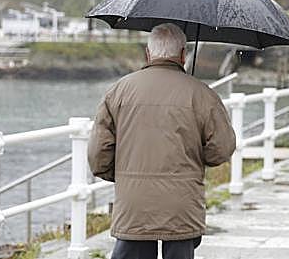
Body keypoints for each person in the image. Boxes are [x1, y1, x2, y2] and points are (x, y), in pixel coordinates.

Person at [88, 23, 236, 259]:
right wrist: (195, 159)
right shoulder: (202, 94)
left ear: (148, 53)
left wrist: (124, 175)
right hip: (182, 203)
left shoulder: (118, 91)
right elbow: (223, 148)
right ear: (182, 55)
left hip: (134, 203)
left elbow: (98, 156)